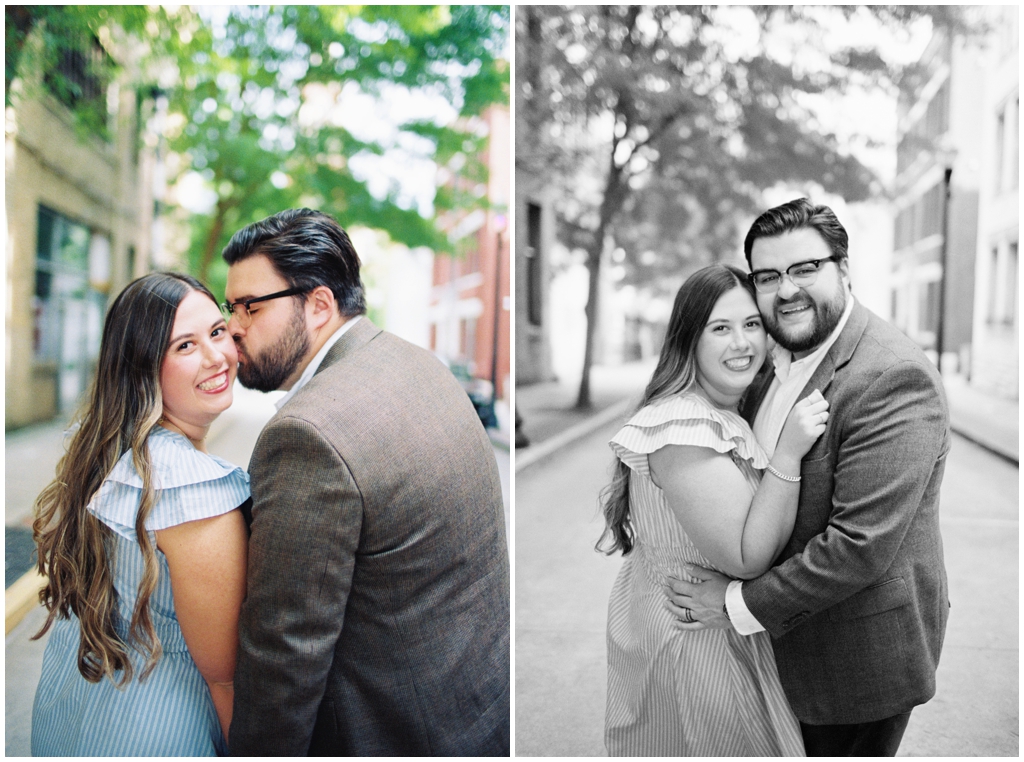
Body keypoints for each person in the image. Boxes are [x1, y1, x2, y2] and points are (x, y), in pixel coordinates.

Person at [665, 198, 950, 756]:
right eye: (768, 276)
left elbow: (858, 547)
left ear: (843, 269)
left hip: (853, 662)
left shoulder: (892, 376)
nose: (786, 289)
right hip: (777, 651)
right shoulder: (775, 360)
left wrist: (736, 605)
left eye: (804, 269)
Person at [220, 208, 510, 756]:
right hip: (477, 718)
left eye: (250, 307)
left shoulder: (307, 436)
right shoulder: (418, 364)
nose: (234, 325)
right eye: (230, 306)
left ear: (320, 304)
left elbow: (284, 655)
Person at [598, 263, 831, 756]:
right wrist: (789, 452)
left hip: (708, 631)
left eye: (751, 325)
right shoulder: (683, 424)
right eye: (720, 329)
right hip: (699, 648)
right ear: (689, 340)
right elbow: (746, 558)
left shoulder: (718, 414)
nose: (742, 343)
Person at [31, 273, 250, 756]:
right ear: (143, 368)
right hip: (157, 735)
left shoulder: (103, 451)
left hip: (69, 721)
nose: (217, 356)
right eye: (185, 346)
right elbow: (226, 679)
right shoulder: (194, 490)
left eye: (217, 332)